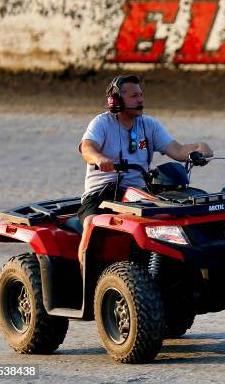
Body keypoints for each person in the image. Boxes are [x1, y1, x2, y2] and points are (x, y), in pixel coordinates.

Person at [76, 75, 213, 263]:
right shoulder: (101, 123)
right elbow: (87, 148)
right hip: (101, 194)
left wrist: (200, 147)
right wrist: (100, 159)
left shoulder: (149, 125)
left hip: (138, 195)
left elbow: (178, 150)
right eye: (134, 96)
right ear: (115, 101)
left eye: (141, 95)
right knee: (91, 223)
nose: (140, 99)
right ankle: (87, 282)